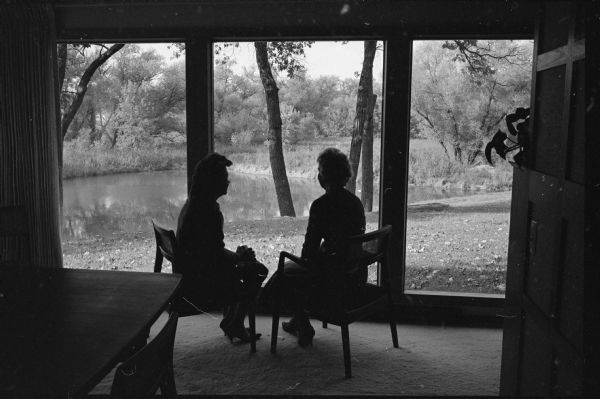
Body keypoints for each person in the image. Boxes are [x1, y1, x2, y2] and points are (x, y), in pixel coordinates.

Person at [262, 147, 366, 347]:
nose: (317, 175)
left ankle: (302, 323)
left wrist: (317, 253)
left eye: (319, 170)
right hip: (354, 275)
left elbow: (307, 252)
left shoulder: (322, 205)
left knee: (285, 273)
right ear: (345, 175)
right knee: (293, 271)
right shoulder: (355, 203)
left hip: (331, 281)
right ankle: (298, 320)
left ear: (324, 176)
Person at [176, 152, 268, 344]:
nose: (228, 181)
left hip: (193, 275)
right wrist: (239, 257)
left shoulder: (193, 205)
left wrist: (237, 256)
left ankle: (231, 322)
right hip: (202, 285)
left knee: (247, 262)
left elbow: (211, 251)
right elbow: (215, 256)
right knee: (258, 271)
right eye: (224, 177)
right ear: (213, 181)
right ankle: (235, 323)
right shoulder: (209, 212)